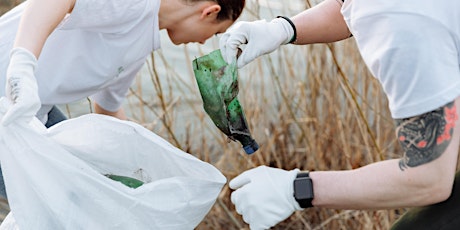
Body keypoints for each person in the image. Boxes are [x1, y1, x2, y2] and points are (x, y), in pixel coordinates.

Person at [219, 0, 460, 229]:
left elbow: (429, 179)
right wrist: (284, 29)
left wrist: (296, 189)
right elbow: (350, 7)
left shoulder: (399, 25)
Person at [0, 0, 245, 199]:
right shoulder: (137, 4)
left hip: (29, 113)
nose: (204, 41)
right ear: (210, 12)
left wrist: (143, 164)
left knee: (90, 189)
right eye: (216, 32)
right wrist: (23, 62)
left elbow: (108, 107)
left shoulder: (144, 36)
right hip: (8, 106)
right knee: (63, 198)